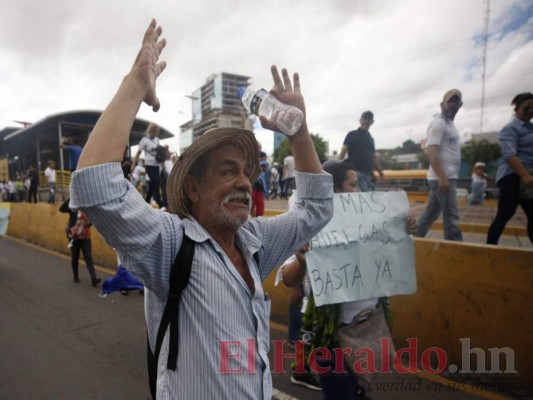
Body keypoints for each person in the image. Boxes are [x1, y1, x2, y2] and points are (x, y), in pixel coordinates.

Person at [69, 20, 333, 400]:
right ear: (193, 187)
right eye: (228, 171)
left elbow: (316, 209)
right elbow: (95, 184)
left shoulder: (254, 243)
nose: (244, 182)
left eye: (246, 172)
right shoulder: (170, 244)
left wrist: (299, 133)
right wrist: (135, 84)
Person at [278, 160, 416, 400]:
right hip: (329, 335)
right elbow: (289, 278)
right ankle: (306, 372)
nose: (360, 191)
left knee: (355, 388)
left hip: (366, 325)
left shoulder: (370, 221)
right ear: (336, 190)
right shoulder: (311, 226)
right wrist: (302, 260)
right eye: (353, 184)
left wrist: (401, 229)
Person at [415, 90, 464, 241]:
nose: (453, 105)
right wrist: (443, 177)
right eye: (450, 101)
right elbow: (432, 151)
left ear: (460, 105)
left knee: (431, 214)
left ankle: (413, 238)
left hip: (445, 177)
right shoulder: (439, 123)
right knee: (451, 217)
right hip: (443, 177)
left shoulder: (450, 124)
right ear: (442, 105)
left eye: (456, 102)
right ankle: (455, 248)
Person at [487, 93, 533, 245]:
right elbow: (509, 154)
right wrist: (524, 175)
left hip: (529, 176)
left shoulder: (531, 128)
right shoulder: (511, 128)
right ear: (517, 108)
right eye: (527, 108)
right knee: (506, 213)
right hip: (512, 176)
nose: (530, 112)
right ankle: (490, 247)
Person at [338, 110, 384, 192]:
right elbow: (343, 151)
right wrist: (338, 167)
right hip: (356, 173)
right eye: (364, 118)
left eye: (368, 119)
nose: (366, 121)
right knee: (365, 197)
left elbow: (374, 157)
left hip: (368, 175)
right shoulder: (352, 134)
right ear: (360, 120)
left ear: (372, 122)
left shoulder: (370, 139)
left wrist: (381, 173)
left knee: (369, 196)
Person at [59, 199, 101, 286]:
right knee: (75, 257)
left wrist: (89, 224)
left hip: (85, 236)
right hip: (73, 237)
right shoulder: (73, 206)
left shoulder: (89, 206)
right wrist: (71, 198)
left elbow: (93, 219)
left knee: (88, 257)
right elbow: (61, 209)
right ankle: (75, 276)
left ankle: (94, 278)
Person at [132, 122, 165, 209]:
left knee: (153, 184)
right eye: (155, 130)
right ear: (151, 130)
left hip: (157, 165)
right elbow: (138, 153)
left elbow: (159, 152)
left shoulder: (157, 139)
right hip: (149, 165)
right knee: (156, 181)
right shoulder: (144, 140)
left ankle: (146, 202)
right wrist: (133, 164)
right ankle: (160, 204)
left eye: (157, 131)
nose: (156, 132)